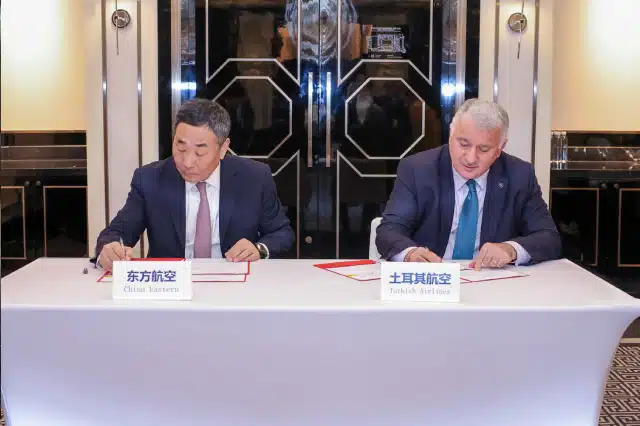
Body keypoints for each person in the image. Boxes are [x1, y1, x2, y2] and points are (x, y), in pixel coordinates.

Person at [93, 99, 295, 271]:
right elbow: (115, 234)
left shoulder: (254, 178)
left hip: (234, 283)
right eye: (180, 148)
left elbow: (282, 233)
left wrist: (258, 249)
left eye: (200, 152)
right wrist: (109, 250)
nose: (188, 162)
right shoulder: (150, 179)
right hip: (171, 286)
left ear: (223, 148)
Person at [375, 98, 561, 269]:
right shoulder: (417, 170)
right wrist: (411, 254)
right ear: (450, 135)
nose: (471, 158)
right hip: (433, 280)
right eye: (463, 144)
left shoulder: (519, 175)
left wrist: (510, 249)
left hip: (491, 279)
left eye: (484, 149)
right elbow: (389, 231)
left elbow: (549, 237)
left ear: (499, 149)